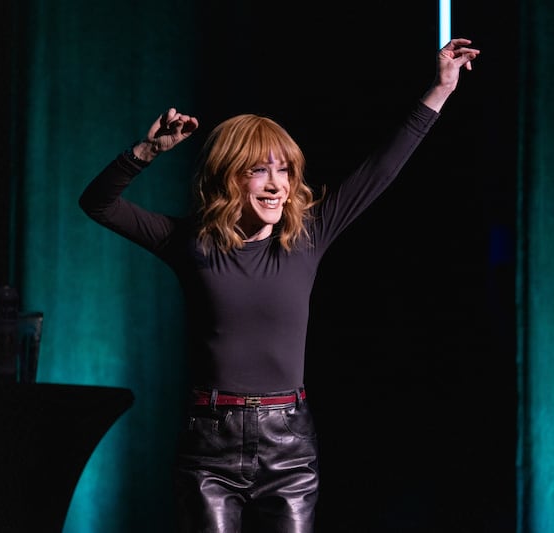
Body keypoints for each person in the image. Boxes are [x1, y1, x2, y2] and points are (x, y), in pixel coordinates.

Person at [79, 37, 480, 533]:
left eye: (284, 170)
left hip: (288, 445)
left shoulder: (308, 235)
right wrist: (145, 150)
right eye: (258, 171)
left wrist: (440, 89)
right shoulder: (192, 244)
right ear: (229, 178)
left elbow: (382, 167)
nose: (276, 184)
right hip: (210, 445)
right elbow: (97, 204)